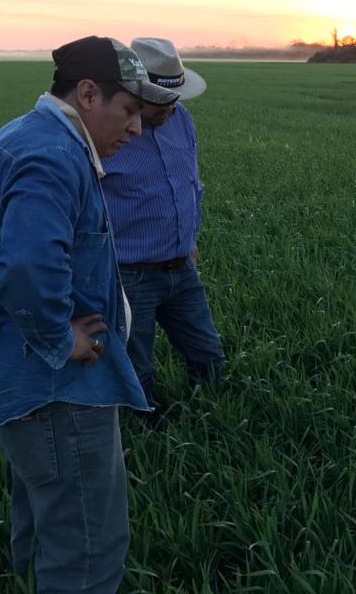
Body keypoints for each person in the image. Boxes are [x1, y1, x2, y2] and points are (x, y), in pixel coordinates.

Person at [0, 35, 180, 592]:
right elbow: (27, 266)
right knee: (88, 550)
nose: (136, 129)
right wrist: (62, 338)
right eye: (129, 111)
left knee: (44, 528)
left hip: (31, 386)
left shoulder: (30, 137)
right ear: (87, 94)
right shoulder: (52, 154)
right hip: (58, 389)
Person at [101, 37, 224, 425]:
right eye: (159, 100)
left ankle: (216, 419)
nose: (170, 108)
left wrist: (191, 237)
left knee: (208, 356)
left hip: (181, 268)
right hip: (129, 274)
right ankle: (145, 436)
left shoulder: (181, 119)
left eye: (175, 98)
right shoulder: (108, 133)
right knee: (136, 369)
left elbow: (192, 183)